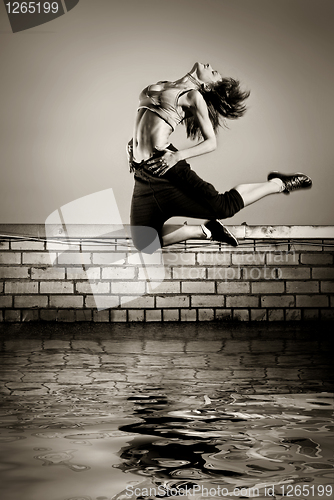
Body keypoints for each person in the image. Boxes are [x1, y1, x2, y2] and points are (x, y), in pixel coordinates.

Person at [128, 62, 312, 252]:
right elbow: (148, 121)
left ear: (207, 87)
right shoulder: (164, 84)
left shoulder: (193, 96)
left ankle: (278, 184)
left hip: (167, 165)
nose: (211, 67)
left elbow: (211, 142)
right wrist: (133, 144)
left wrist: (177, 156)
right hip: (144, 171)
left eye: (215, 74)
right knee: (143, 243)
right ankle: (204, 231)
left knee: (224, 207)